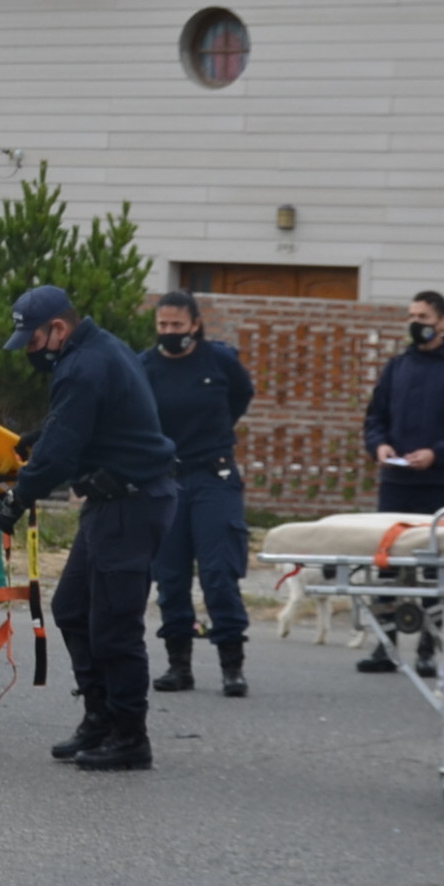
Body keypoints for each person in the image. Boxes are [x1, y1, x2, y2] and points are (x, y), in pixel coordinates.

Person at [0, 285, 176, 772]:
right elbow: (76, 425)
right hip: (112, 502)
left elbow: (60, 453)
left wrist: (18, 497)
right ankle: (99, 716)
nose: (31, 353)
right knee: (72, 608)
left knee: (115, 625)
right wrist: (41, 435)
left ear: (58, 329)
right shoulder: (96, 350)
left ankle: (129, 735)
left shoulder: (83, 365)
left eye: (32, 343)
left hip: (131, 505)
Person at [357, 290, 444, 675]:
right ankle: (386, 643)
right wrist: (379, 446)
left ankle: (429, 646)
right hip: (396, 479)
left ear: (442, 322)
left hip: (440, 483)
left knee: (433, 565)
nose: (416, 323)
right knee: (389, 563)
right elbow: (374, 418)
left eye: (424, 316)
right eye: (411, 315)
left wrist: (436, 453)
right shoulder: (396, 367)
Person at [140, 290, 256, 698]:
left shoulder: (219, 360)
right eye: (163, 326)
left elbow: (241, 395)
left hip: (213, 477)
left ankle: (231, 666)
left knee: (219, 571)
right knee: (170, 576)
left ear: (194, 325)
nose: (170, 332)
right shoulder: (145, 366)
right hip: (166, 480)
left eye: (177, 325)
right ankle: (178, 664)